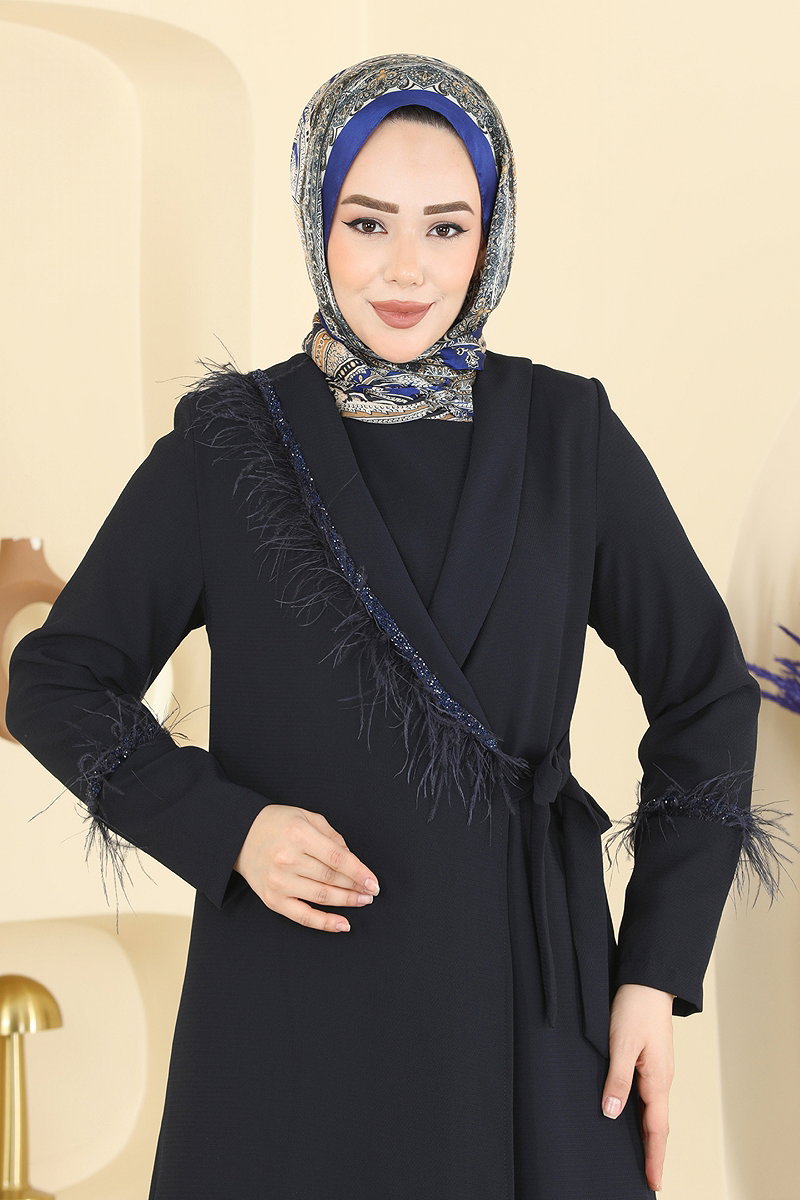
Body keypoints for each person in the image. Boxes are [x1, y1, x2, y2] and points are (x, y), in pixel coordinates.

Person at [5, 51, 793, 1200]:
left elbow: (704, 691)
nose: (406, 270)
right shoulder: (231, 446)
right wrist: (226, 828)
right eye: (368, 222)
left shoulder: (566, 435)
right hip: (295, 1006)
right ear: (316, 220)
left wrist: (651, 972)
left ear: (490, 234)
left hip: (531, 1000)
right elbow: (56, 680)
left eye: (445, 227)